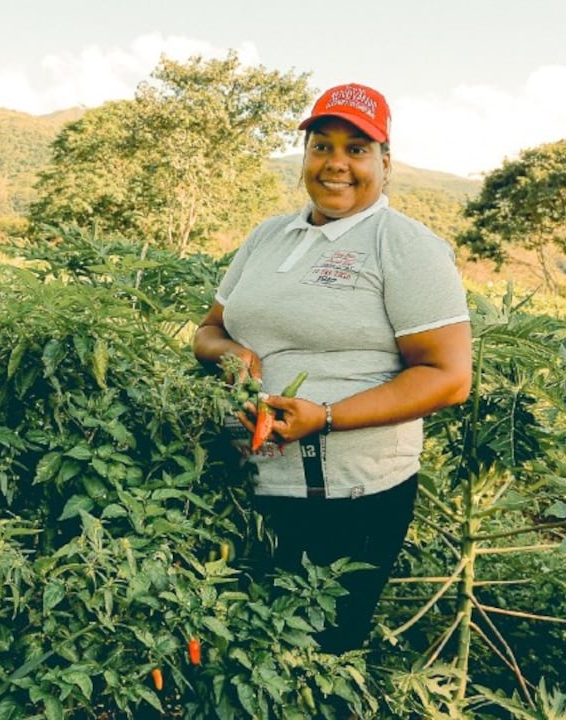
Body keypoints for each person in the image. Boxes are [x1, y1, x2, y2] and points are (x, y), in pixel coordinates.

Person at [192, 82, 473, 654]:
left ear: (385, 163)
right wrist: (235, 356)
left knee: (316, 656)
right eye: (322, 146)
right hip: (244, 485)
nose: (336, 164)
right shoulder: (269, 236)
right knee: (243, 653)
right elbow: (207, 330)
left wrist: (325, 416)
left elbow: (448, 376)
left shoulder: (405, 247)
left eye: (356, 149)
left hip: (345, 498)